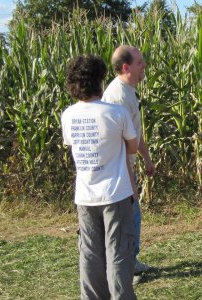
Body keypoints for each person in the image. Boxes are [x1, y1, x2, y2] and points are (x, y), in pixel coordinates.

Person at [61, 55, 138, 299]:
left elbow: (71, 143)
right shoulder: (116, 113)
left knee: (90, 254)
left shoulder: (68, 115)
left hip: (85, 195)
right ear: (100, 80)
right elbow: (132, 147)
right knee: (118, 253)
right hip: (116, 194)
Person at [102, 45, 156, 277]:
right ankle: (126, 266)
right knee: (130, 216)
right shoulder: (118, 97)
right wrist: (130, 182)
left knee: (133, 215)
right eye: (139, 62)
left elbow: (134, 133)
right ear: (126, 67)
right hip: (119, 168)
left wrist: (147, 158)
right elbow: (121, 143)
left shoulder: (128, 91)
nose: (144, 66)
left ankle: (129, 261)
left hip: (127, 165)